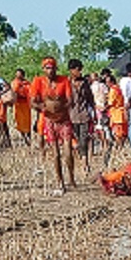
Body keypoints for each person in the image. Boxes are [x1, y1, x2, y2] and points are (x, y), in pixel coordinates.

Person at [31, 57, 76, 193]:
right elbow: (32, 102)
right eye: (47, 68)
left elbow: (70, 100)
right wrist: (44, 108)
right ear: (43, 69)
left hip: (64, 119)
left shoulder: (64, 81)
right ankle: (59, 180)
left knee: (68, 152)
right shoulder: (38, 82)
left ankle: (71, 177)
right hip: (49, 120)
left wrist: (60, 107)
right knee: (55, 153)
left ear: (56, 69)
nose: (50, 70)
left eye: (52, 68)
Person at [68, 59, 95, 178]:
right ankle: (78, 162)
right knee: (75, 142)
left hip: (84, 116)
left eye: (80, 69)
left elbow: (90, 98)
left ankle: (85, 164)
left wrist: (93, 112)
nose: (80, 72)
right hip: (71, 117)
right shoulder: (66, 83)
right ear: (71, 70)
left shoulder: (85, 83)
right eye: (78, 69)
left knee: (84, 141)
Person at [104, 72, 127, 166]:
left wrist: (103, 108)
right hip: (121, 114)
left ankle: (119, 151)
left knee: (118, 135)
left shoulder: (113, 90)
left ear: (111, 82)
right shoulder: (119, 89)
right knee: (122, 135)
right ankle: (121, 150)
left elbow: (110, 103)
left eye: (107, 82)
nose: (106, 84)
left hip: (116, 115)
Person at [10, 68, 32, 145]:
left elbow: (30, 93)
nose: (18, 77)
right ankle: (24, 137)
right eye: (17, 75)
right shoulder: (14, 83)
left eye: (20, 75)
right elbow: (13, 93)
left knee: (27, 122)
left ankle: (29, 137)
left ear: (23, 75)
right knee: (19, 122)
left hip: (26, 105)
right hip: (18, 105)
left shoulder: (27, 84)